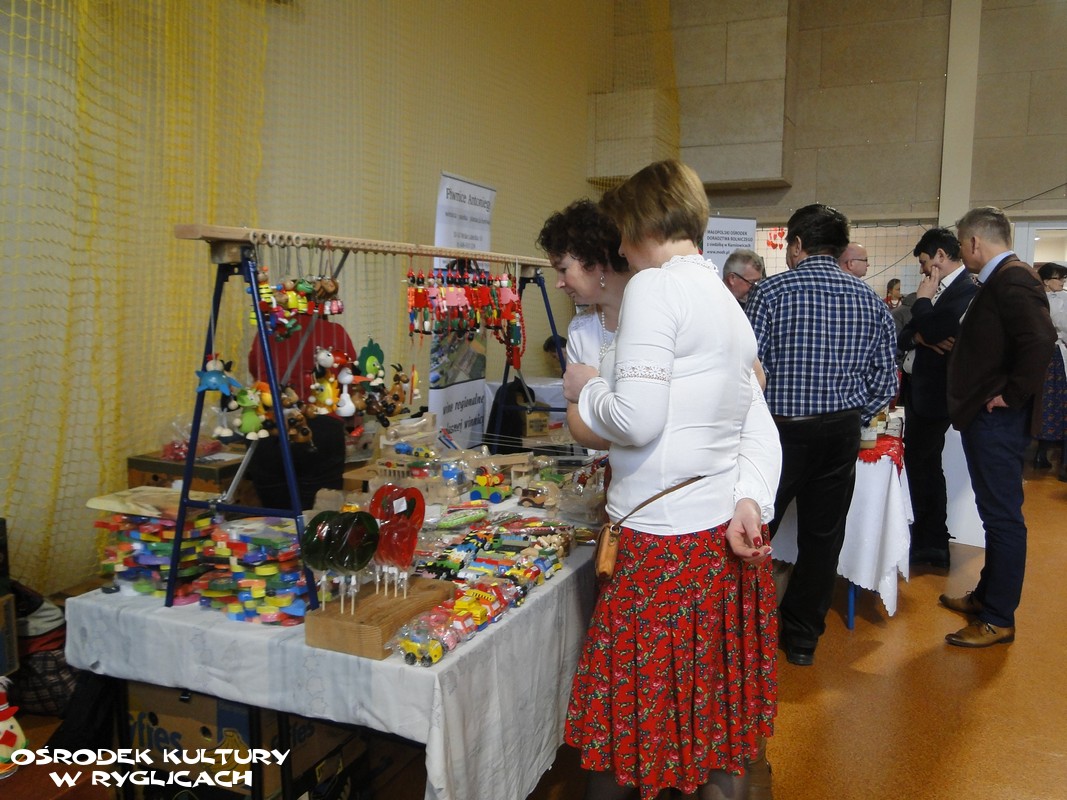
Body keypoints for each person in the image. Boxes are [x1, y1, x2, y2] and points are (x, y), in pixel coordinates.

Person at [562, 160, 781, 800]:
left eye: (622, 234)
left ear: (638, 225)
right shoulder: (725, 300)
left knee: (626, 711)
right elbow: (756, 424)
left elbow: (635, 419)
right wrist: (749, 498)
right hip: (712, 537)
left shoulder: (656, 288)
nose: (622, 250)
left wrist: (587, 387)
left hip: (660, 543)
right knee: (709, 710)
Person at [746, 205, 898, 666]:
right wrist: (854, 413)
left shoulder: (770, 292)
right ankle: (802, 640)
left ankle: (741, 630)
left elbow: (747, 370)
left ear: (796, 245)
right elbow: (885, 381)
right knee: (823, 538)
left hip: (779, 432)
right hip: (841, 432)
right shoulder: (870, 299)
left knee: (754, 528)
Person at [941, 206, 1056, 648]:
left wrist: (1012, 394)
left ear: (974, 242)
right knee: (994, 515)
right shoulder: (1001, 279)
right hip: (989, 419)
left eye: (961, 244)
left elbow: (1040, 340)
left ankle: (998, 618)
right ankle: (986, 597)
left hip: (999, 421)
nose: (961, 252)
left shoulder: (1013, 279)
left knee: (1003, 518)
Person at [897, 228, 978, 569]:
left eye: (924, 261)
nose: (922, 270)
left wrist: (923, 304)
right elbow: (906, 334)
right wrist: (922, 334)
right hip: (918, 392)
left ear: (941, 256)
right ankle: (928, 538)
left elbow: (932, 328)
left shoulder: (966, 290)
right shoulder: (939, 292)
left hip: (936, 396)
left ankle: (931, 542)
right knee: (922, 467)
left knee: (925, 468)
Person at [536, 198, 632, 451]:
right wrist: (626, 442)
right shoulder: (580, 329)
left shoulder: (653, 315)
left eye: (563, 269)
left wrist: (591, 388)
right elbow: (576, 417)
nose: (558, 283)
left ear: (595, 260)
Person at [1030, 262, 1067, 479]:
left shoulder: (1061, 298)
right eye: (1058, 278)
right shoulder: (1038, 299)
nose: (1061, 282)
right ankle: (1040, 451)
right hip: (1047, 355)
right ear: (1045, 280)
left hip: (1053, 354)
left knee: (1052, 402)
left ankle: (1043, 452)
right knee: (1045, 401)